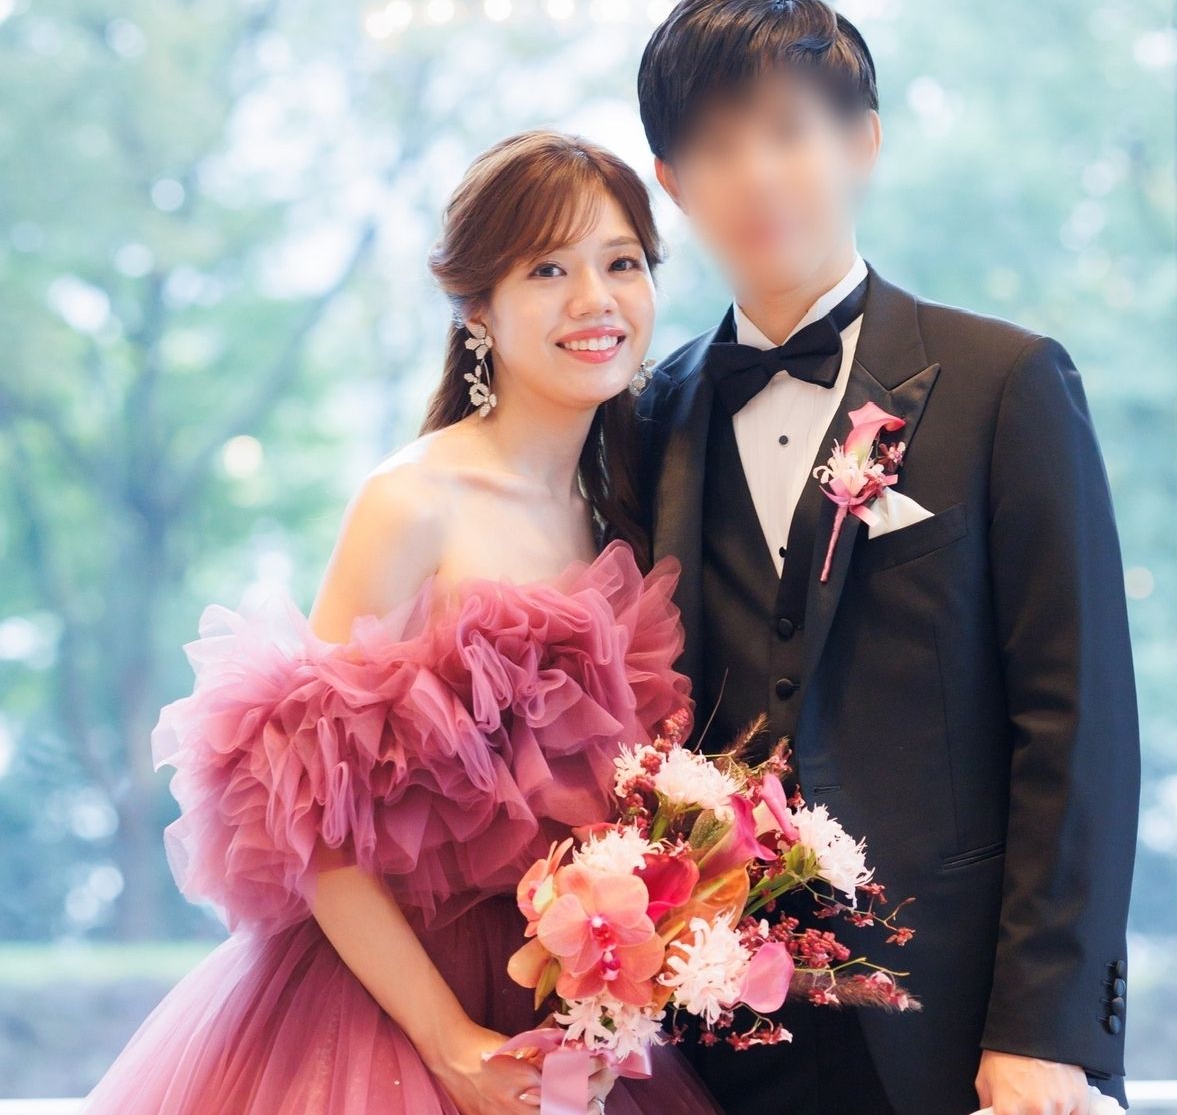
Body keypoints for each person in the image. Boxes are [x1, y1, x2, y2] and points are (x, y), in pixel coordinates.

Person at [79, 129, 726, 1115]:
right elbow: (300, 817)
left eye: (622, 263)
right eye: (548, 269)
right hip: (384, 1017)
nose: (595, 300)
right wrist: (447, 1041)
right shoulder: (412, 500)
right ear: (476, 308)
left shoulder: (621, 507)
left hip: (552, 1011)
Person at [631, 0, 1141, 1115]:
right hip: (713, 1037)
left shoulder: (1004, 383)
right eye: (715, 146)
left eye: (786, 131)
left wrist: (1043, 1030)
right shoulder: (648, 417)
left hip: (955, 1030)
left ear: (861, 142)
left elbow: (1078, 726)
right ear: (672, 183)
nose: (756, 174)